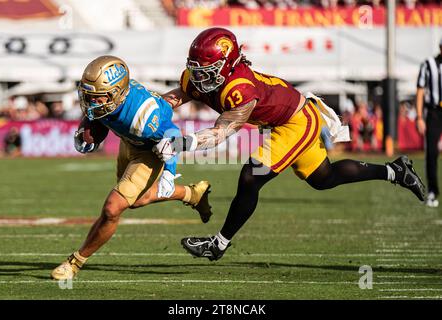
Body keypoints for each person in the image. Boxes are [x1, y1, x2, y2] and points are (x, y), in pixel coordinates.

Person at [153, 27, 426, 261]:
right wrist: (150, 110)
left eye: (207, 71)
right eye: (196, 69)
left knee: (251, 175)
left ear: (227, 65)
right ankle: (396, 171)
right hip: (286, 118)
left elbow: (223, 131)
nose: (198, 77)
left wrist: (181, 143)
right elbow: (178, 96)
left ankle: (218, 244)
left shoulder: (239, 89)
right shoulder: (199, 78)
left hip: (296, 122)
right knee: (323, 178)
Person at [51, 56, 213, 280]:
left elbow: (172, 134)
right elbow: (96, 110)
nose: (91, 103)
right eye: (88, 97)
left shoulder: (143, 115)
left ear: (117, 93)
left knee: (112, 209)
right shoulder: (111, 96)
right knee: (137, 200)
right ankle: (192, 193)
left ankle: (75, 262)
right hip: (129, 143)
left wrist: (168, 172)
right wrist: (90, 126)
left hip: (151, 152)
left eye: (97, 98)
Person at [416, 38, 442, 208]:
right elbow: (420, 90)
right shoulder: (428, 64)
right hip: (434, 112)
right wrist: (419, 117)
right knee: (431, 153)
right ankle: (432, 191)